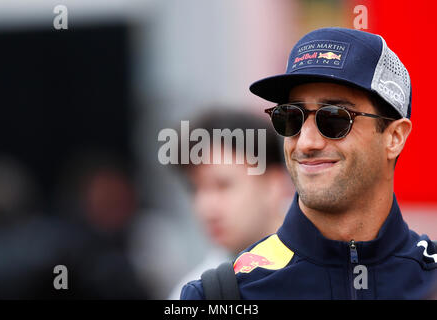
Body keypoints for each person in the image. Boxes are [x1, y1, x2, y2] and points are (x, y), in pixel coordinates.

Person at [181, 27, 437, 299]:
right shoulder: (222, 294)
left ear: (394, 137)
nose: (306, 142)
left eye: (335, 118)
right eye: (290, 117)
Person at [168, 109, 294, 299]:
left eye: (223, 185)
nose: (205, 207)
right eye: (195, 189)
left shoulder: (335, 261)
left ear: (274, 184)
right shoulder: (196, 293)